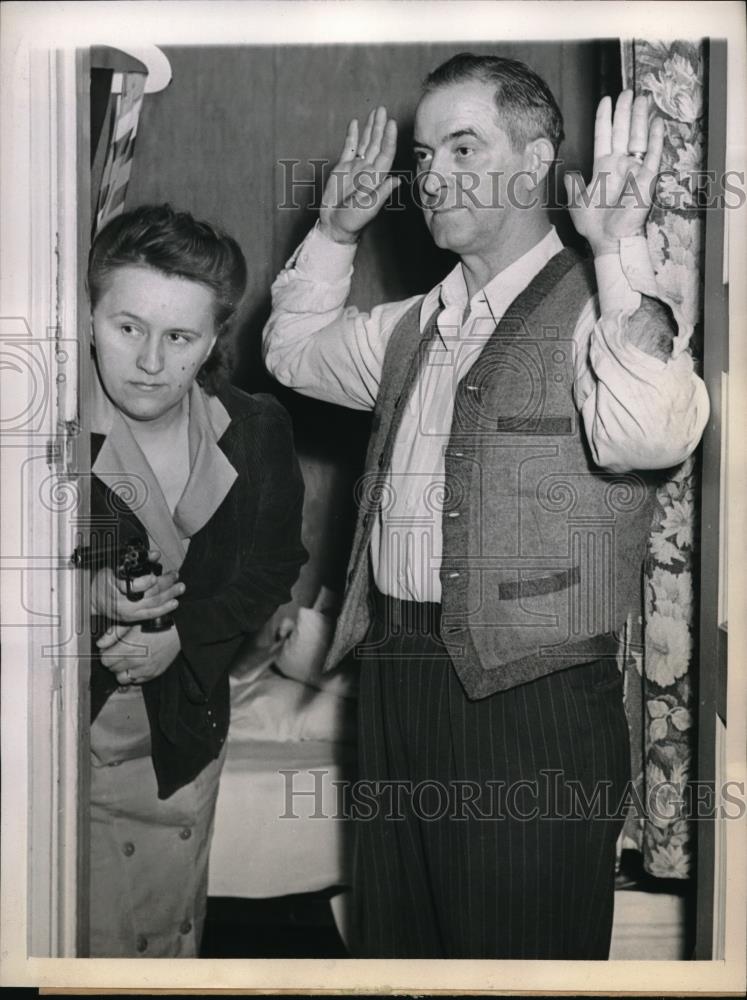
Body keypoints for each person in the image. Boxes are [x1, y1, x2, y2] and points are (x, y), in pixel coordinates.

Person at [262, 54, 709, 959]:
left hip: (532, 701)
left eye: (465, 147)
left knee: (521, 965)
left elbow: (657, 432)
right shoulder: (411, 324)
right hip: (393, 674)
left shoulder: (602, 306)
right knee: (398, 957)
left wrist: (618, 249)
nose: (432, 177)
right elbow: (292, 351)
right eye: (424, 156)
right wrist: (337, 234)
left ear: (537, 158)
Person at [85, 204, 307, 957]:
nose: (151, 360)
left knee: (165, 945)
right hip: (64, 744)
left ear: (214, 339)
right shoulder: (40, 428)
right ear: (88, 317)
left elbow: (275, 568)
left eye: (179, 337)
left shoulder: (254, 427)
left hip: (183, 734)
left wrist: (180, 638)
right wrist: (87, 599)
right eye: (127, 328)